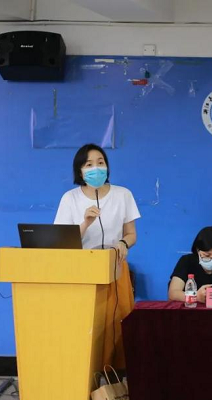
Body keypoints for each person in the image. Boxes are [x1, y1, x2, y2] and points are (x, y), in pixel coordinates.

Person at [54, 143, 140, 368]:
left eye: (100, 163)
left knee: (118, 324)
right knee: (85, 325)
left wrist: (123, 242)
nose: (96, 168)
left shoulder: (123, 195)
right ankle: (82, 374)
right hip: (81, 271)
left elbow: (131, 234)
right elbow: (62, 242)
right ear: (80, 171)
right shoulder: (70, 199)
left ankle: (117, 376)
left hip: (115, 266)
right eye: (89, 164)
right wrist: (85, 223)